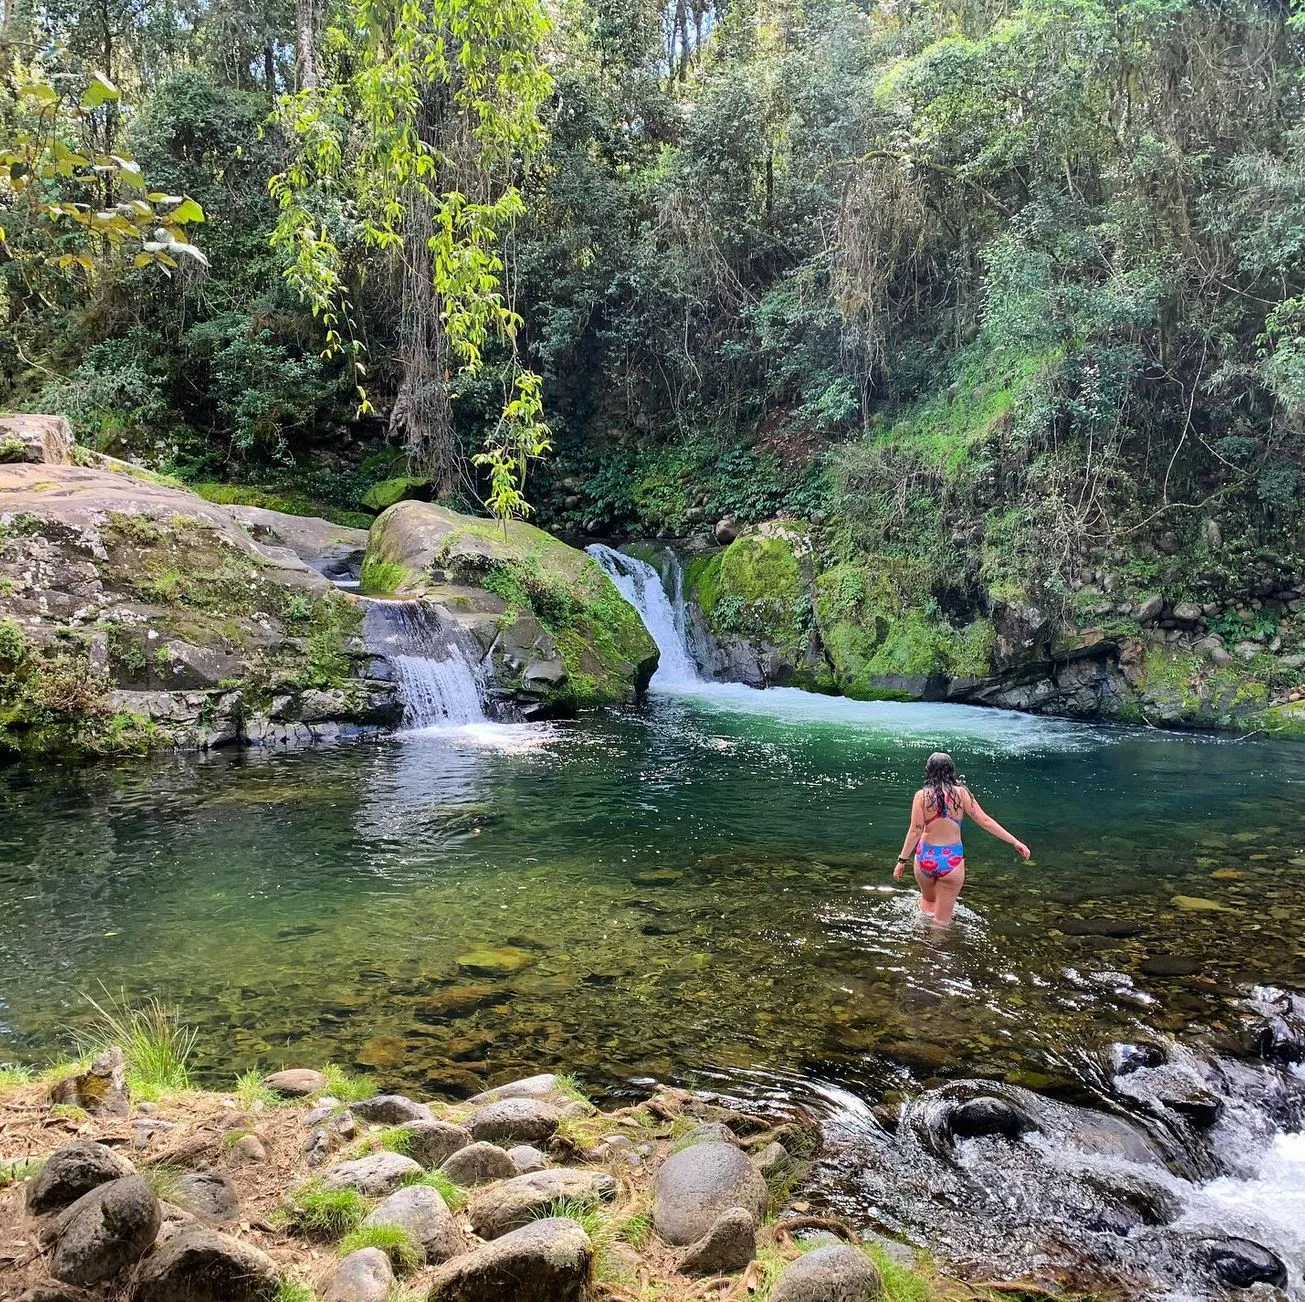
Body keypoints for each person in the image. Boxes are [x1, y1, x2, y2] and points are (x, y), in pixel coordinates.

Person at [892, 752, 1030, 925]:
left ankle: (921, 947)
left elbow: (915, 831)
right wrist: (1014, 841)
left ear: (928, 771)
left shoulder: (921, 796)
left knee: (927, 905)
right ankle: (938, 949)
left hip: (925, 857)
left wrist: (902, 861)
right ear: (951, 771)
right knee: (942, 922)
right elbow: (985, 821)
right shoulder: (962, 794)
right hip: (951, 860)